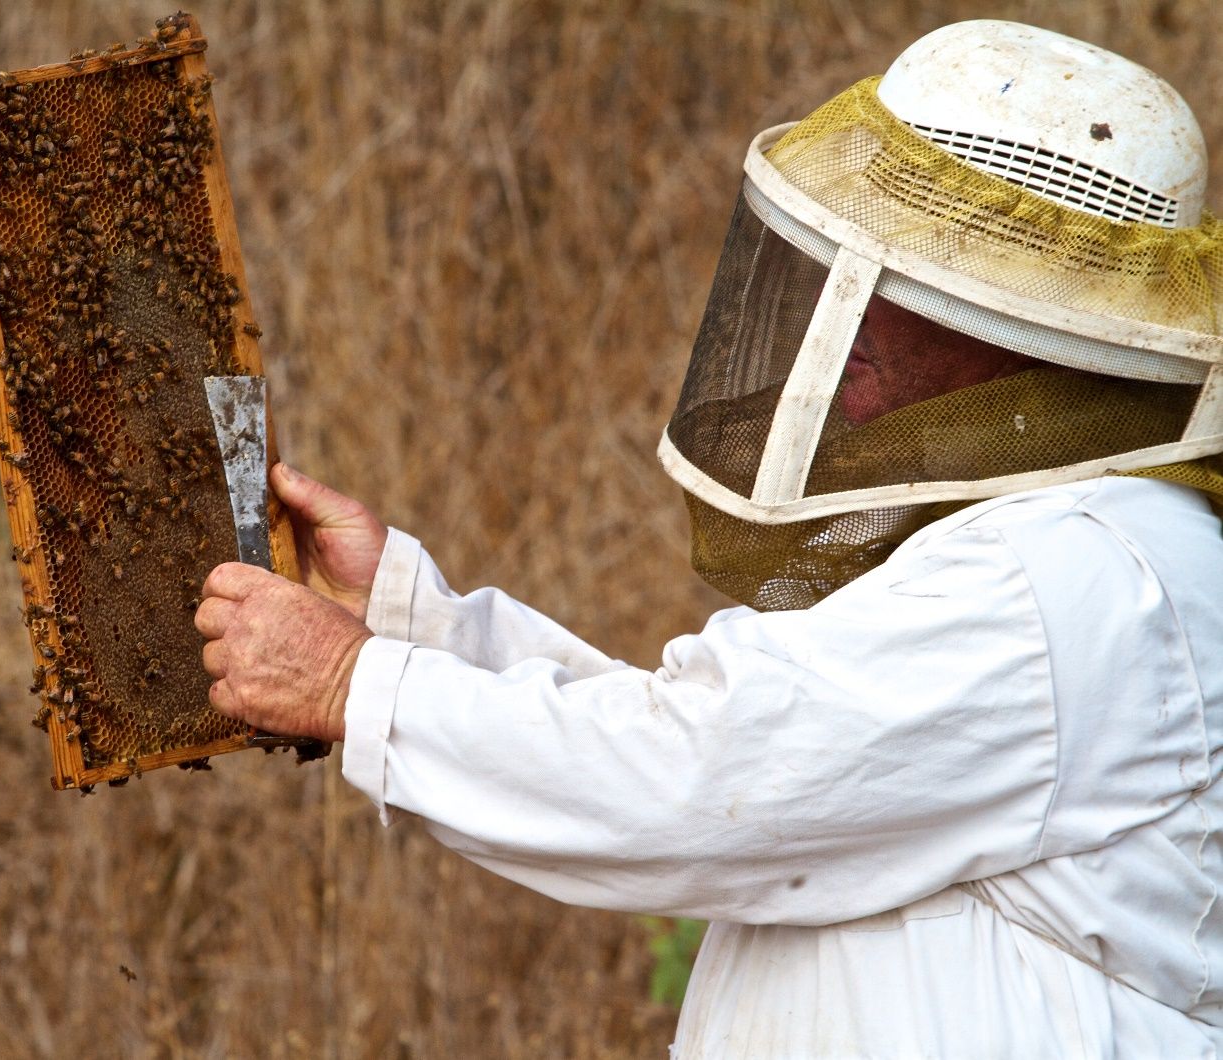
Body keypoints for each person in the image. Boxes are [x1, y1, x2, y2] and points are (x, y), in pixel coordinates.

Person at [196, 20, 1223, 1057]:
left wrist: (356, 684)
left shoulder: (1070, 577)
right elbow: (721, 740)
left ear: (1019, 338)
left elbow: (696, 780)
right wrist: (406, 629)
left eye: (908, 284)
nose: (848, 315)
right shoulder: (1056, 546)